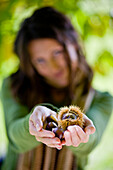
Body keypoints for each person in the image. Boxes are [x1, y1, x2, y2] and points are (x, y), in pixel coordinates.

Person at [0, 6, 113, 170]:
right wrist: (32, 123)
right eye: (40, 60)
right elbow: (15, 136)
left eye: (57, 52)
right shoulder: (14, 85)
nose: (53, 66)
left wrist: (80, 136)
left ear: (74, 45)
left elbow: (91, 141)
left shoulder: (102, 100)